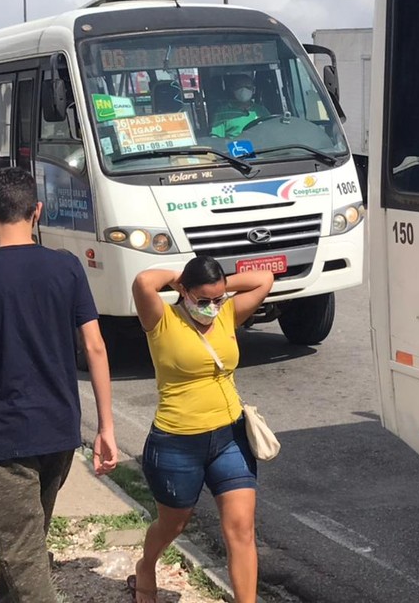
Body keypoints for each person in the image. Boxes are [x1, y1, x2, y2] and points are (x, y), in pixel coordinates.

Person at [0, 167, 117, 601]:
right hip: (60, 428)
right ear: (37, 211)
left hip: (7, 434)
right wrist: (106, 427)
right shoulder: (67, 267)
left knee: (21, 554)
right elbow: (95, 348)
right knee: (25, 549)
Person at [127, 256, 273, 603]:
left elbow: (264, 279)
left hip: (230, 437)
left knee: (241, 529)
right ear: (183, 292)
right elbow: (144, 282)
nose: (211, 307)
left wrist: (220, 287)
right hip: (176, 442)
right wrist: (180, 276)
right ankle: (146, 565)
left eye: (217, 299)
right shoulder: (161, 319)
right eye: (203, 300)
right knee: (172, 525)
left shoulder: (226, 314)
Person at [210, 73, 271, 138]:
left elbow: (271, 132)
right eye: (239, 86)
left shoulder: (261, 110)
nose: (243, 90)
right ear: (232, 89)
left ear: (253, 90)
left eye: (248, 87)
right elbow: (216, 139)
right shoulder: (222, 112)